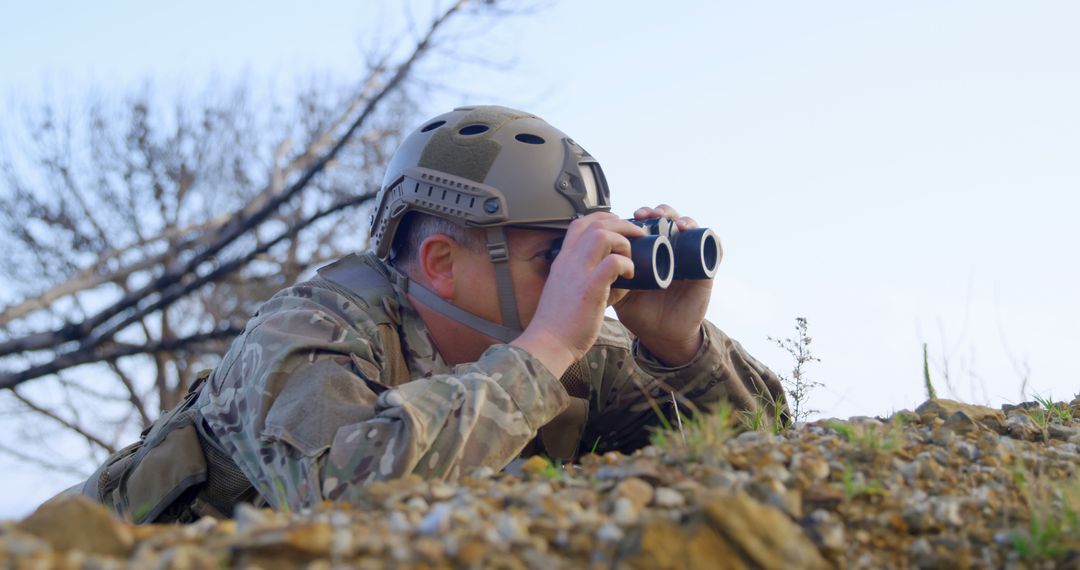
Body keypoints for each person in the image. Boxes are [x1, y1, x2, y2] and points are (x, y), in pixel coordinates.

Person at [71, 105, 787, 523]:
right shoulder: (306, 333)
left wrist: (678, 350)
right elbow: (342, 498)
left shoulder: (566, 348)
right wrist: (541, 352)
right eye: (555, 261)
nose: (585, 287)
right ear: (442, 260)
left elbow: (763, 454)